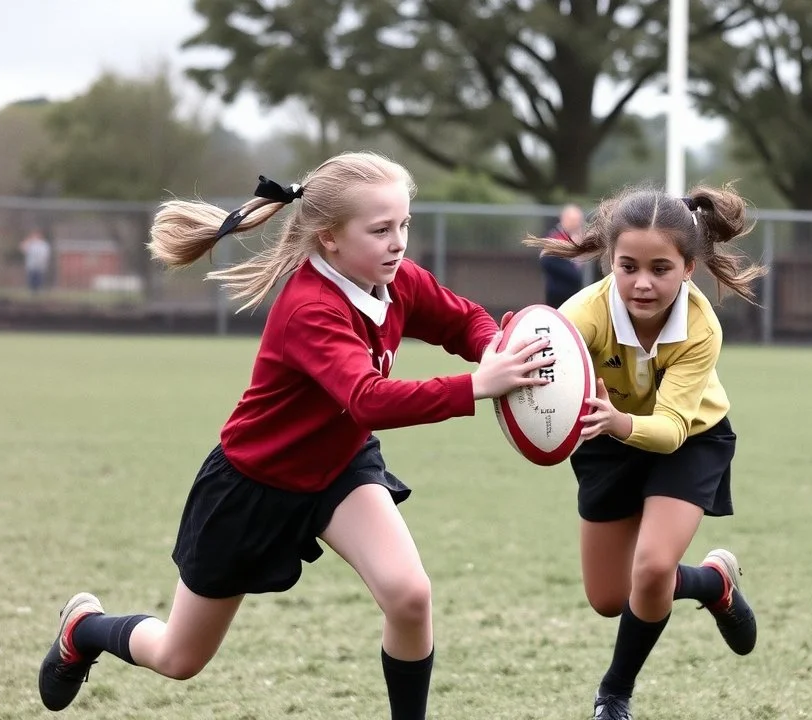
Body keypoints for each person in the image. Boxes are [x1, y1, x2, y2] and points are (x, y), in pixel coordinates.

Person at [36, 152, 553, 719]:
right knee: (178, 657)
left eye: (404, 225)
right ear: (329, 238)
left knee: (410, 596)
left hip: (339, 467)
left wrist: (494, 349)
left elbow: (462, 319)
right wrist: (478, 385)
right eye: (380, 230)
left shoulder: (397, 278)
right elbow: (368, 400)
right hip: (254, 485)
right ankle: (85, 631)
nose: (398, 242)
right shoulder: (311, 307)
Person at [523, 183, 767, 720]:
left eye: (661, 268)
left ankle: (614, 695)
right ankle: (711, 581)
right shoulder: (581, 313)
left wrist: (617, 420)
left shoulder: (701, 326)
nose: (641, 282)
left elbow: (673, 428)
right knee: (610, 598)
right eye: (628, 265)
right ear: (610, 260)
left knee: (652, 570)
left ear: (688, 268)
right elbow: (539, 372)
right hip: (606, 443)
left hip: (690, 440)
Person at [540, 203, 586, 308]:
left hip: (573, 293)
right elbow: (546, 261)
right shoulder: (555, 238)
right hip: (557, 295)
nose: (578, 224)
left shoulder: (574, 238)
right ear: (564, 219)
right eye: (574, 220)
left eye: (579, 220)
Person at [21, 228, 51, 293]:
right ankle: (32, 290)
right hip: (31, 264)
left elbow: (46, 254)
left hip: (40, 264)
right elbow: (23, 248)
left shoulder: (43, 244)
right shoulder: (30, 243)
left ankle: (38, 290)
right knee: (31, 277)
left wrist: (44, 261)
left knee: (39, 277)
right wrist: (28, 240)